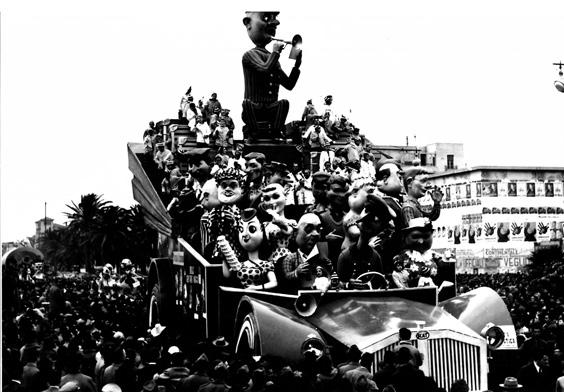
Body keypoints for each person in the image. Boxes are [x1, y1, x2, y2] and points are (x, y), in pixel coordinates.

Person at [241, 11, 302, 141]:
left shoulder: (273, 58)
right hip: (254, 108)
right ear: (248, 24)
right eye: (267, 18)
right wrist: (275, 53)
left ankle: (276, 132)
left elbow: (289, 84)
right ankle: (254, 133)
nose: (275, 23)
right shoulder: (249, 55)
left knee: (284, 103)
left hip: (270, 108)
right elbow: (264, 69)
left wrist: (297, 65)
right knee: (246, 104)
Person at [222, 208, 277, 290]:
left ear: (262, 230)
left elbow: (274, 283)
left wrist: (256, 288)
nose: (244, 234)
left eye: (252, 229)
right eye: (241, 229)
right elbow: (227, 275)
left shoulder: (266, 265)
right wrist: (224, 257)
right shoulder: (239, 264)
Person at [279, 213, 333, 292]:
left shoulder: (323, 256)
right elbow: (286, 279)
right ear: (295, 233)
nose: (316, 234)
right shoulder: (290, 258)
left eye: (318, 229)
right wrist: (296, 273)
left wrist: (329, 269)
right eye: (308, 229)